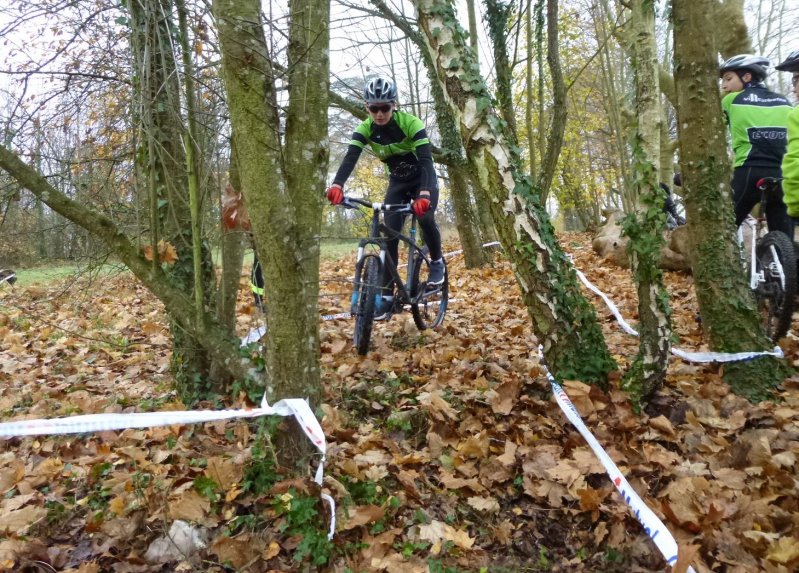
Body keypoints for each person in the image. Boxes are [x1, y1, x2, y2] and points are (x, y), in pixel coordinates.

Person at [326, 76, 444, 320]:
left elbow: (425, 160)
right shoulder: (365, 129)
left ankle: (437, 262)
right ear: (366, 108)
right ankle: (387, 298)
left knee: (425, 217)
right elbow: (350, 157)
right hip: (398, 183)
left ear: (394, 105)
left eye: (384, 108)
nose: (379, 114)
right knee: (388, 235)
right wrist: (338, 184)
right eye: (373, 108)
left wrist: (424, 192)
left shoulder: (411, 123)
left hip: (423, 178)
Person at [719, 54, 793, 237]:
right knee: (785, 242)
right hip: (782, 173)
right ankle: (782, 261)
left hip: (749, 171)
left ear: (747, 77)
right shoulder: (785, 102)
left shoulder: (731, 100)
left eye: (728, 79)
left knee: (723, 231)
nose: (723, 85)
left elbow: (713, 130)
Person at [775, 49, 799, 227]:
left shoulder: (796, 115)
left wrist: (794, 206)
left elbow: (795, 162)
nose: (794, 87)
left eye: (797, 79)